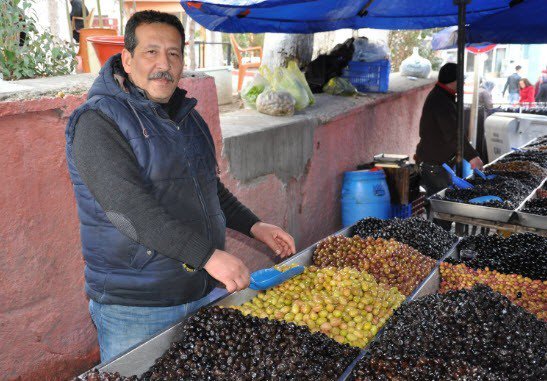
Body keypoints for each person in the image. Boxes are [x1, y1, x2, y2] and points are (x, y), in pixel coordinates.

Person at [65, 10, 296, 363]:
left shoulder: (186, 118)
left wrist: (254, 224)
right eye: (151, 52)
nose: (164, 64)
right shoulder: (98, 121)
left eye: (174, 54)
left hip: (198, 290)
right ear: (127, 60)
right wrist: (208, 256)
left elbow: (209, 189)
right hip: (138, 307)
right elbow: (129, 212)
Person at [415, 63, 483, 230]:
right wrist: (472, 156)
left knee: (439, 207)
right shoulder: (440, 100)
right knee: (441, 211)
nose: (464, 84)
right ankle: (438, 245)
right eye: (462, 81)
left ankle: (437, 237)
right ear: (455, 81)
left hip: (437, 162)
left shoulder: (444, 96)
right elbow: (453, 134)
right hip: (434, 165)